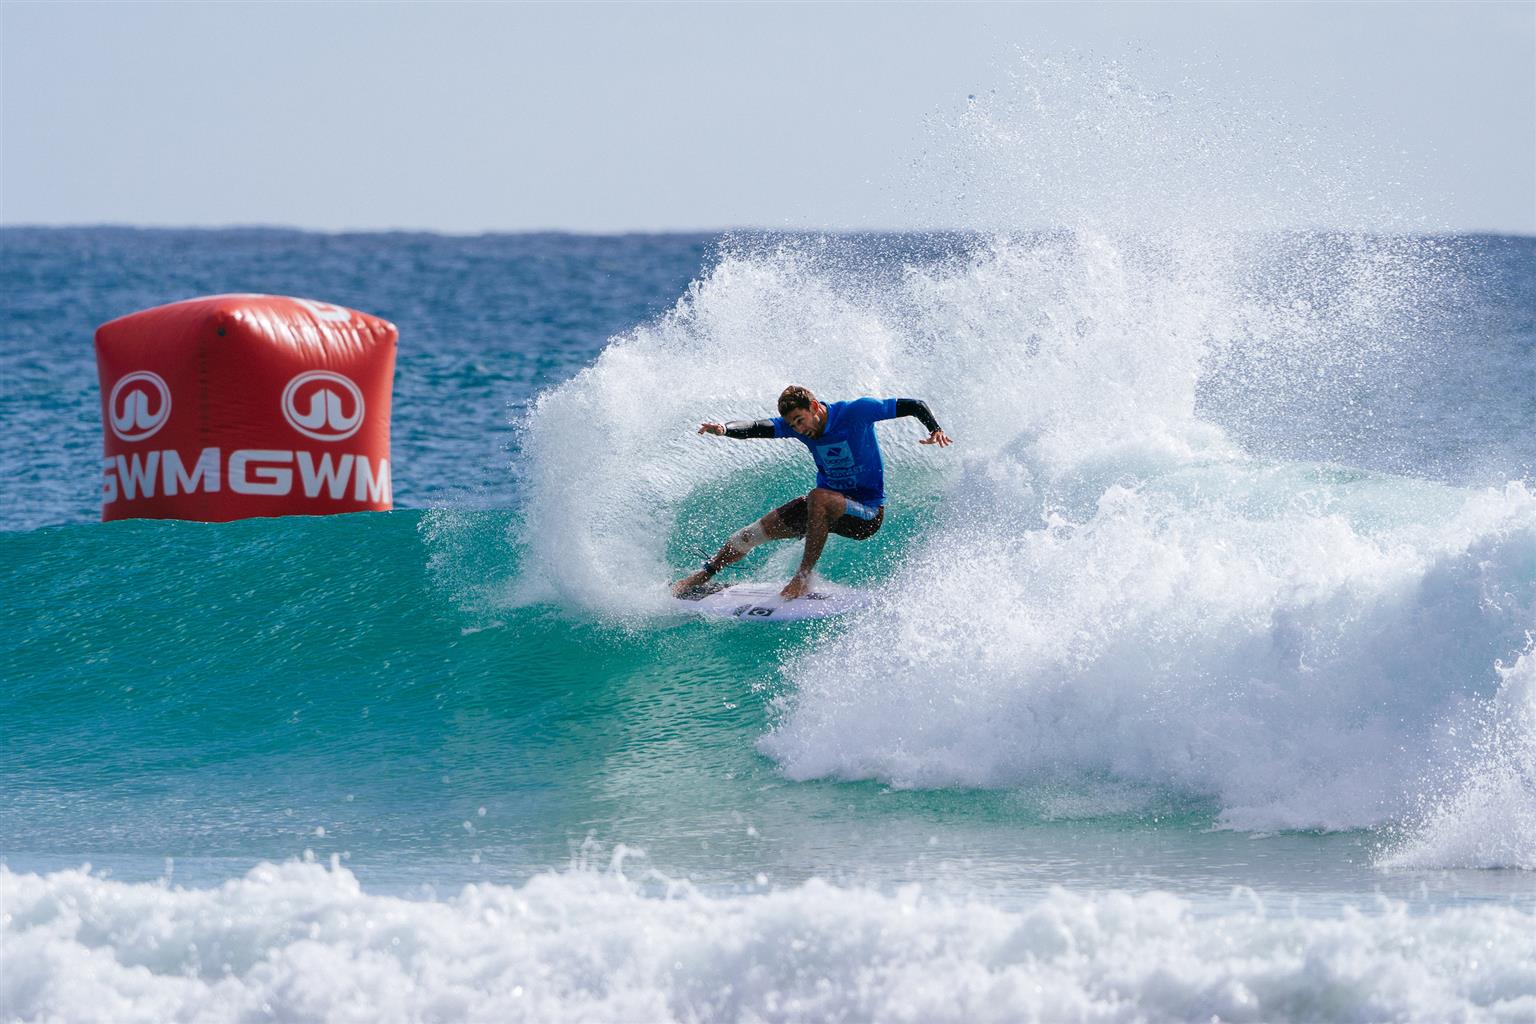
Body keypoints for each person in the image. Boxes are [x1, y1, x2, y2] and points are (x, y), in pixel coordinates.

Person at [672, 385, 952, 601]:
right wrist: (724, 430)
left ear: (815, 407)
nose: (798, 428)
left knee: (818, 497)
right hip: (825, 508)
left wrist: (935, 428)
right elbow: (758, 427)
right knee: (746, 536)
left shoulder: (856, 412)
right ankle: (703, 575)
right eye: (793, 425)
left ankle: (803, 577)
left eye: (800, 420)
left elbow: (914, 405)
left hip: (866, 514)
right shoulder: (798, 428)